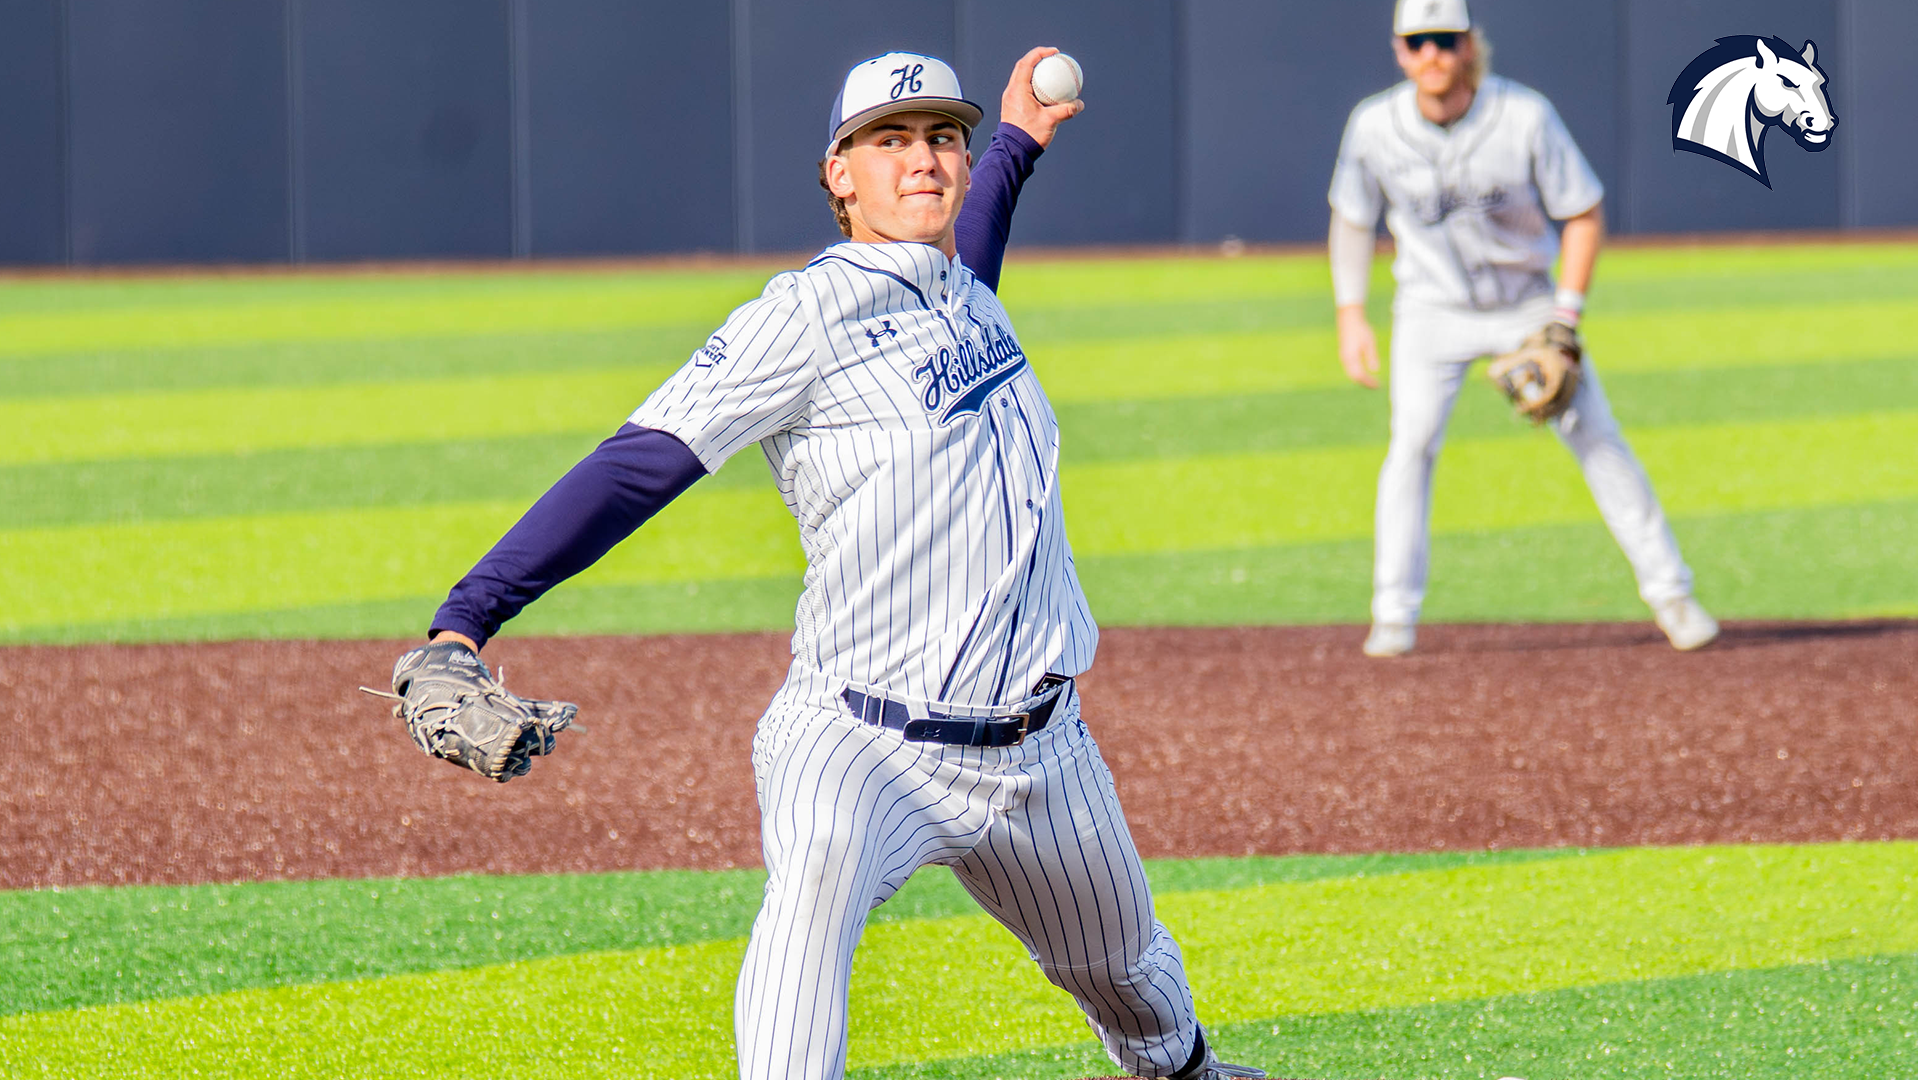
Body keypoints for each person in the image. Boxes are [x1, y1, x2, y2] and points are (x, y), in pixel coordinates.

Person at [409, 49, 1266, 1080]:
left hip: (1043, 754)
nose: (923, 160)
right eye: (889, 140)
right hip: (862, 738)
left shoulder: (961, 289)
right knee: (808, 906)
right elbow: (638, 464)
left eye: (941, 138)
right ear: (839, 174)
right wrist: (467, 617)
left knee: (1130, 977)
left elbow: (976, 237)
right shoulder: (802, 318)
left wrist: (1017, 142)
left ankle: (1183, 1072)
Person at [1328, 0, 1720, 657]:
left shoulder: (1523, 116)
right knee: (1411, 445)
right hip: (1431, 311)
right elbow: (1352, 218)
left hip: (1526, 307)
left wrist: (1564, 320)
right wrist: (1349, 314)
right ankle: (1393, 613)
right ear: (1399, 51)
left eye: (1444, 39)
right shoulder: (1373, 126)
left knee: (1596, 434)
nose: (1431, 54)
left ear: (1468, 44)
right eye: (1417, 42)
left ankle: (1672, 597)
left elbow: (1584, 213)